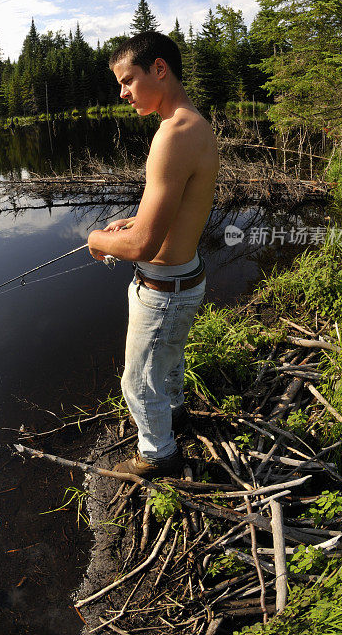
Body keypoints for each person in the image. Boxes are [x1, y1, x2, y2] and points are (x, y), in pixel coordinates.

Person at [88, 31, 219, 477]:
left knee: (138, 381)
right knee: (169, 360)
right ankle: (176, 413)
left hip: (164, 290)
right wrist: (128, 222)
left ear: (159, 69)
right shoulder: (192, 124)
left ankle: (158, 455)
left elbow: (142, 246)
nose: (123, 93)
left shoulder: (172, 135)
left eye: (128, 81)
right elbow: (168, 211)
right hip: (185, 277)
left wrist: (97, 239)